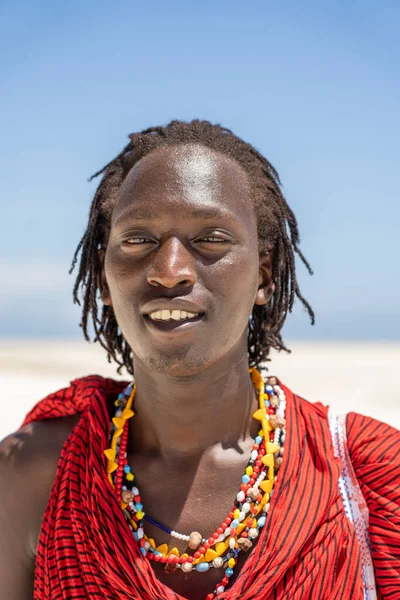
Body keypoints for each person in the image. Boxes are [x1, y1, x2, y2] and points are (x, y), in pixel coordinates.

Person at [0, 120, 399, 600]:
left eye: (210, 239)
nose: (170, 273)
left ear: (264, 276)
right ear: (104, 279)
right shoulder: (33, 474)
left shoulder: (367, 475)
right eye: (139, 240)